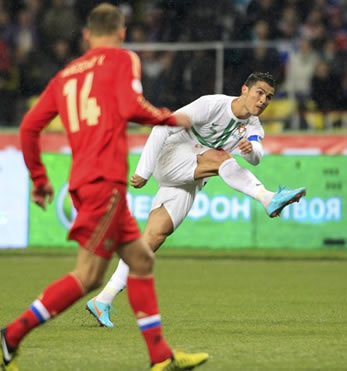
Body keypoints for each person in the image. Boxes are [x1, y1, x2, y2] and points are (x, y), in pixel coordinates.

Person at [1, 4, 208, 371]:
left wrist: (39, 179)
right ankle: (10, 337)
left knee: (141, 260)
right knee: (87, 277)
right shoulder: (122, 59)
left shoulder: (66, 76)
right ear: (122, 33)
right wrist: (167, 117)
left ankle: (161, 357)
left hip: (85, 181)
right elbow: (131, 105)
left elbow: (29, 127)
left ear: (85, 35)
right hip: (104, 182)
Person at [85, 72, 307, 327]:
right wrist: (143, 171)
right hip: (172, 157)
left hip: (191, 176)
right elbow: (163, 126)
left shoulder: (254, 126)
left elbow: (256, 155)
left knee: (154, 237)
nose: (263, 100)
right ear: (244, 89)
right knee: (222, 158)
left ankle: (104, 299)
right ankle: (268, 198)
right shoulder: (212, 104)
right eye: (259, 92)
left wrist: (250, 150)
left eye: (268, 97)